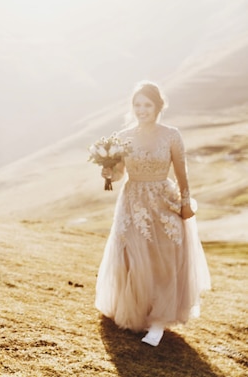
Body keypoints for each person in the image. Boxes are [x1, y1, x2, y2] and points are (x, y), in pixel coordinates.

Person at [94, 80, 210, 347]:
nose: (141, 109)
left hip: (163, 200)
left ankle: (158, 322)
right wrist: (109, 173)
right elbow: (121, 172)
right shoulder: (123, 137)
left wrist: (185, 202)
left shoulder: (171, 134)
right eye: (137, 105)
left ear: (158, 106)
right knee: (133, 258)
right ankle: (138, 313)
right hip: (132, 200)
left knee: (165, 258)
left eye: (147, 105)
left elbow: (182, 173)